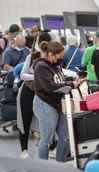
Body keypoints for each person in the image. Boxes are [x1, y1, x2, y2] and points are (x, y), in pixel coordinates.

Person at [33, 41, 82, 162]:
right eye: (59, 56)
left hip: (56, 104)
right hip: (45, 104)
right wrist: (70, 85)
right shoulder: (41, 67)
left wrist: (71, 82)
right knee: (46, 140)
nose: (61, 59)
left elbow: (59, 80)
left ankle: (58, 165)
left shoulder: (56, 64)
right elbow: (49, 87)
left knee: (66, 137)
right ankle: (43, 166)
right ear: (50, 54)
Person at [17, 31, 52, 159]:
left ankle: (47, 145)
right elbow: (22, 75)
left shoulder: (51, 57)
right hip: (28, 91)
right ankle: (24, 149)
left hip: (42, 92)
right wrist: (38, 77)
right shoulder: (31, 57)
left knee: (45, 120)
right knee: (25, 120)